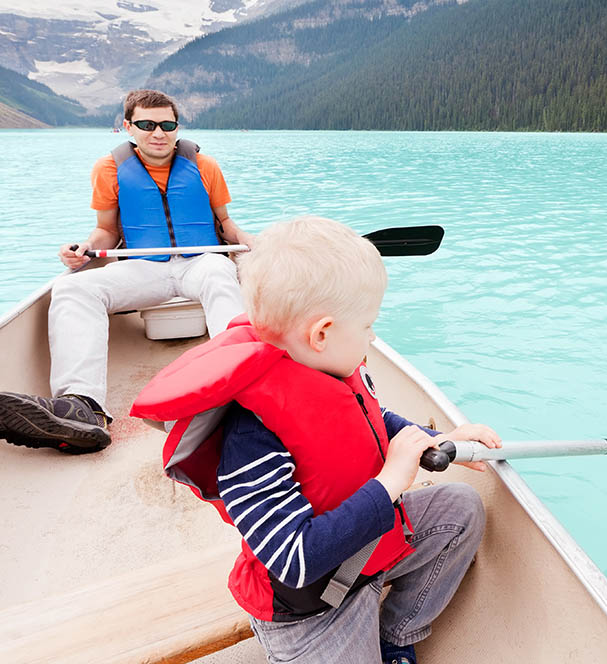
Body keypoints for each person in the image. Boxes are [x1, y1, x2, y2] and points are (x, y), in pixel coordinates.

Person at [131, 216, 502, 664]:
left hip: (368, 559)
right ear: (321, 334)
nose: (373, 336)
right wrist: (389, 483)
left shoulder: (330, 372)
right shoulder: (254, 435)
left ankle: (394, 636)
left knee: (460, 510)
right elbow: (293, 561)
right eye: (368, 325)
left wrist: (438, 439)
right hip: (310, 612)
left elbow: (373, 420)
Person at [0, 89, 254, 455]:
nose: (158, 133)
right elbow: (107, 231)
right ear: (128, 126)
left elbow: (226, 224)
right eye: (147, 124)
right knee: (74, 289)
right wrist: (84, 250)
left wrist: (247, 241)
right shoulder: (109, 169)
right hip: (145, 268)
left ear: (177, 126)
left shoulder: (204, 166)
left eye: (167, 125)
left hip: (202, 262)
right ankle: (82, 408)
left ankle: (240, 391)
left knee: (220, 273)